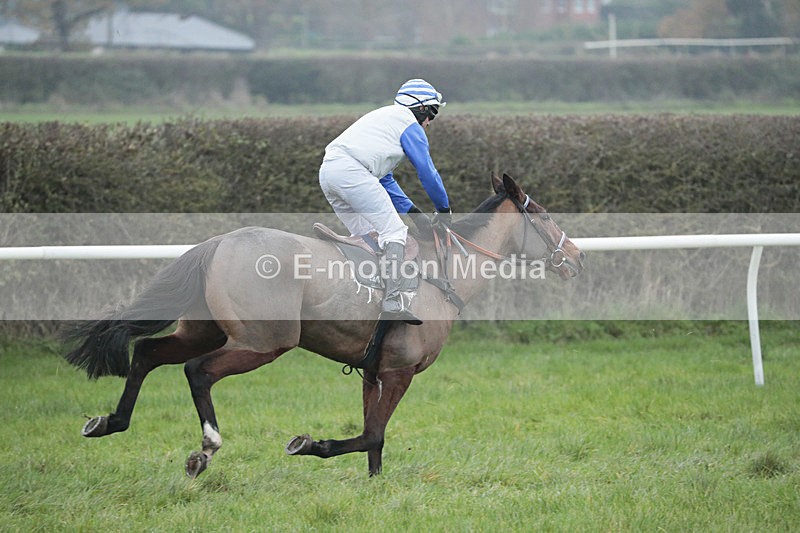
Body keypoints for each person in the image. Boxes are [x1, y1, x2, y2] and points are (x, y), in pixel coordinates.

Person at [319, 78, 451, 325]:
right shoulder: (409, 124)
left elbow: (385, 180)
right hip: (353, 173)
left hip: (329, 173)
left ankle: (363, 300)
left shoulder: (386, 119)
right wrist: (443, 209)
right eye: (432, 113)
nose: (429, 122)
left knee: (370, 239)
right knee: (395, 232)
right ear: (421, 108)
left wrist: (415, 213)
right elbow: (427, 171)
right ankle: (392, 303)